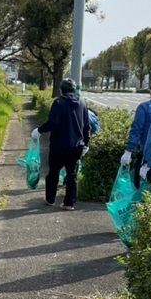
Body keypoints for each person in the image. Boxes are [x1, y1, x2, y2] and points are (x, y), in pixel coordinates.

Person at [30, 78, 91, 210]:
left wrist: (39, 130)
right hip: (76, 147)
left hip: (59, 146)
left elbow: (53, 122)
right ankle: (69, 203)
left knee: (53, 173)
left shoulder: (58, 103)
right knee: (72, 175)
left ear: (61, 90)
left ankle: (50, 199)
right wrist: (86, 143)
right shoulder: (82, 104)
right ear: (74, 90)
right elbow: (87, 126)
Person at [120, 78, 151, 187]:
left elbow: (136, 130)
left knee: (140, 186)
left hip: (146, 154)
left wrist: (129, 151)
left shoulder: (145, 107)